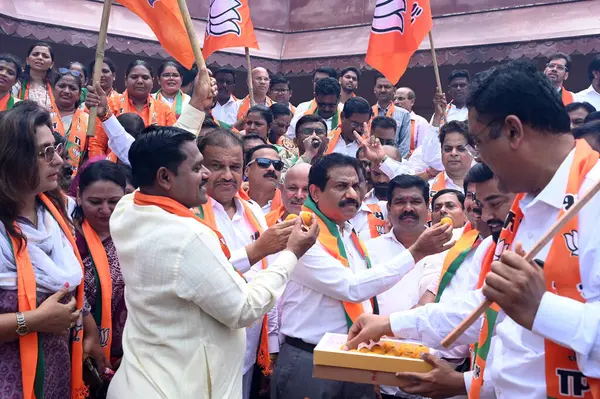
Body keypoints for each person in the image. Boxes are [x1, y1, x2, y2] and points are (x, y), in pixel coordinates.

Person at [346, 59, 600, 399]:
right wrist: (391, 325)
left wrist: (544, 310)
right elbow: (488, 308)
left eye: (476, 144)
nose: (476, 160)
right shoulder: (525, 208)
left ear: (513, 131)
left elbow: (528, 307)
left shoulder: (592, 197)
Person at [106, 125, 318, 399]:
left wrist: (194, 107)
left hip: (157, 373)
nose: (207, 175)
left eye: (235, 166)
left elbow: (157, 154)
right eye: (200, 167)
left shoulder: (130, 206)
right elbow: (243, 309)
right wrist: (290, 254)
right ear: (164, 177)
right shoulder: (188, 235)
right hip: (175, 386)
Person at [271, 153, 454, 399]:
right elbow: (352, 288)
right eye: (341, 186)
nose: (351, 194)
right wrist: (417, 252)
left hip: (353, 357)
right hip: (310, 361)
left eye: (356, 186)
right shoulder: (302, 234)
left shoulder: (348, 232)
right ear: (315, 193)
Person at [0, 101, 106, 398]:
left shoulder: (55, 210)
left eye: (56, 149)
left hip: (58, 374)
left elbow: (66, 286)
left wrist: (90, 328)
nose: (59, 161)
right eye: (46, 152)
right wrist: (31, 321)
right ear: (11, 158)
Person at [197, 129, 300, 398]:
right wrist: (255, 251)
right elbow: (205, 275)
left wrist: (273, 341)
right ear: (199, 168)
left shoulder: (252, 210)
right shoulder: (189, 214)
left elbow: (267, 276)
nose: (228, 175)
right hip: (205, 346)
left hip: (249, 344)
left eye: (235, 167)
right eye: (216, 166)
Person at [84, 66, 216, 164]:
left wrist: (199, 103)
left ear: (152, 81)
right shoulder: (112, 103)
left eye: (145, 77)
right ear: (125, 80)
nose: (140, 81)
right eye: (134, 77)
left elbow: (174, 144)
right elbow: (105, 144)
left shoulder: (163, 109)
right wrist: (100, 169)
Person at [72, 160, 128, 392]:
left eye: (114, 202)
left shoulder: (135, 234)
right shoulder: (69, 237)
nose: (105, 210)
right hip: (76, 350)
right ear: (78, 196)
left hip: (129, 353)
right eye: (95, 202)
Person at [50, 68, 90, 177]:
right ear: (53, 89)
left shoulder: (88, 120)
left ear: (79, 94)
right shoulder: (41, 114)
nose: (66, 91)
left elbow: (89, 154)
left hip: (73, 179)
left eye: (72, 88)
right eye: (62, 86)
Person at [429, 121, 474, 197]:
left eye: (461, 149)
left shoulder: (486, 185)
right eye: (448, 149)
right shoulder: (429, 189)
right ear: (441, 151)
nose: (453, 153)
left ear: (472, 150)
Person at [372, 74, 412, 157]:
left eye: (387, 87)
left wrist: (394, 165)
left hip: (394, 164)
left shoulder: (404, 114)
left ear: (394, 90)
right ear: (374, 89)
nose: (383, 90)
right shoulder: (368, 112)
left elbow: (404, 145)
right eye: (379, 87)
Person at [14, 42, 55, 110]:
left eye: (45, 56)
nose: (40, 57)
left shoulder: (55, 87)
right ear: (27, 60)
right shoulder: (16, 83)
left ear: (51, 64)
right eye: (35, 54)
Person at [245, 144, 284, 214]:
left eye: (277, 165)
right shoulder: (234, 202)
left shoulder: (288, 206)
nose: (272, 168)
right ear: (247, 171)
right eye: (264, 162)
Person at [394, 87, 431, 153]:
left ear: (412, 102)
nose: (396, 102)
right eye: (394, 99)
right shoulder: (390, 119)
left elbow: (422, 151)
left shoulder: (420, 122)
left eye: (400, 99)